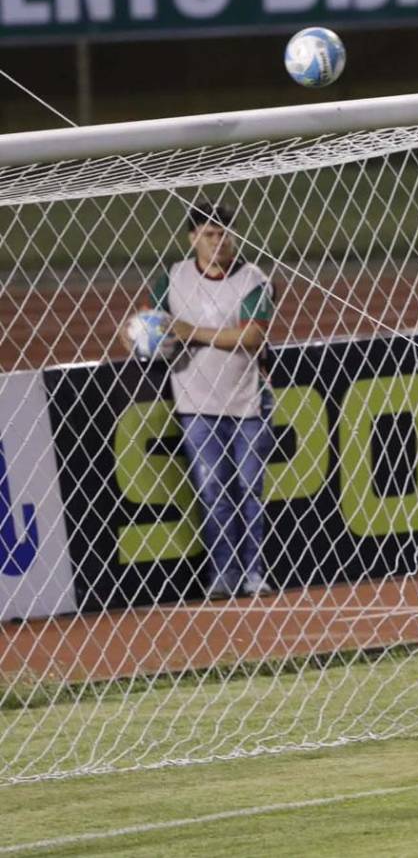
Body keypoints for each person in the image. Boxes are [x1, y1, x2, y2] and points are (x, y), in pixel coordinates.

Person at [124, 201, 275, 599]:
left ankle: (255, 572)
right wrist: (141, 340)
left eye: (225, 232)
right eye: (209, 233)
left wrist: (189, 331)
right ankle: (224, 575)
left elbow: (251, 337)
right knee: (213, 493)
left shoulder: (253, 280)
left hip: (247, 403)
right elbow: (143, 324)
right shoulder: (173, 278)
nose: (219, 240)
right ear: (193, 238)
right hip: (194, 405)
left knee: (249, 489)